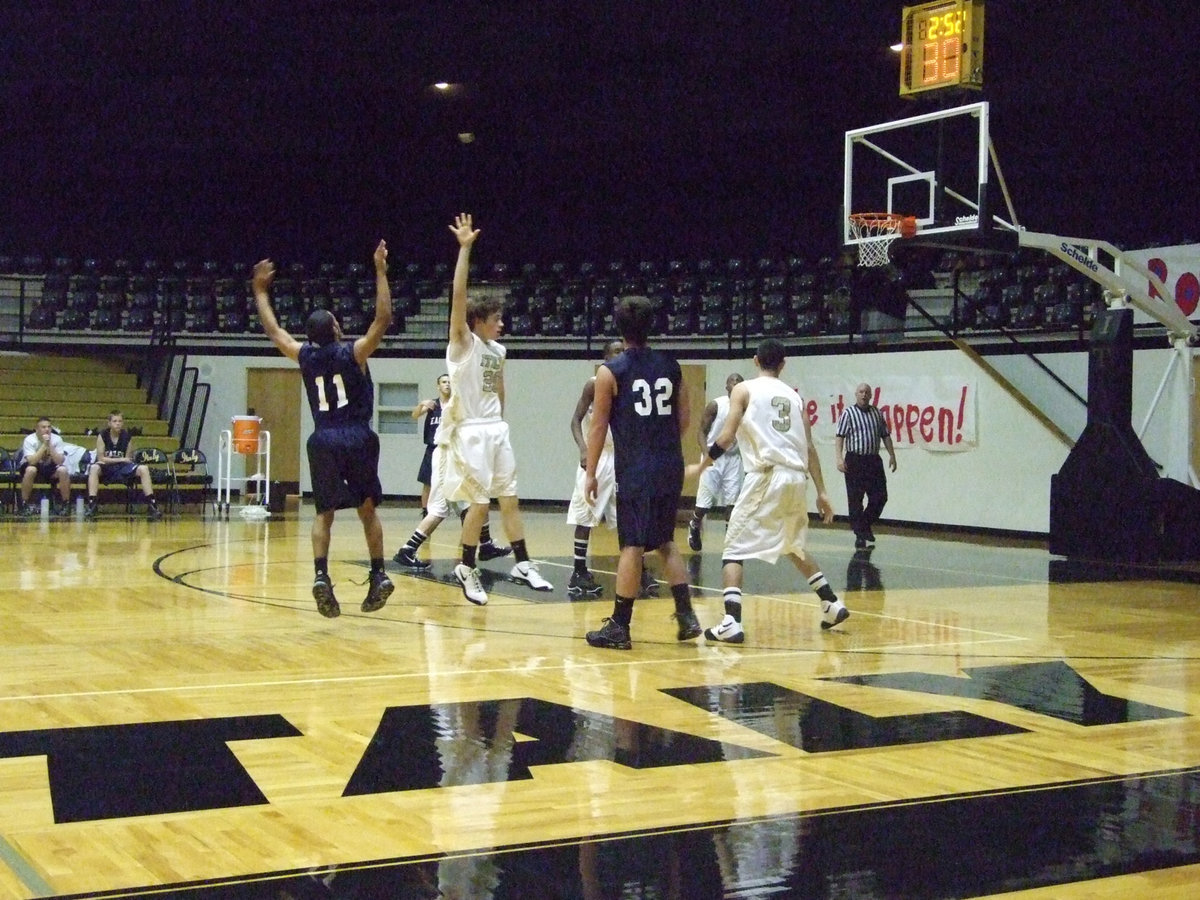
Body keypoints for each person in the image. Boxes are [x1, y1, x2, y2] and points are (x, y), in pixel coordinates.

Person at [251, 240, 394, 619]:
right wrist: (380, 269)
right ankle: (378, 574)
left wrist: (259, 291)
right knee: (367, 509)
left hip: (323, 439)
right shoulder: (355, 352)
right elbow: (382, 319)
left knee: (323, 514)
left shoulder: (304, 355)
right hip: (358, 436)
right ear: (335, 327)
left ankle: (320, 575)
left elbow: (274, 330)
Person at [693, 338, 849, 642]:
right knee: (792, 544)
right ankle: (831, 603)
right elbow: (810, 447)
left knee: (733, 545)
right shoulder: (795, 397)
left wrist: (703, 465)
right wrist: (822, 492)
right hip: (796, 478)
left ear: (755, 361)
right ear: (783, 364)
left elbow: (726, 437)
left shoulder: (744, 389)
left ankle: (731, 621)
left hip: (767, 474)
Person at [438, 213, 552, 606]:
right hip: (469, 431)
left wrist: (500, 421)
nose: (501, 323)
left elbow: (499, 389)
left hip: (495, 429)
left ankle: (523, 561)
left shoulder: (498, 351)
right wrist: (465, 249)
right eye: (495, 319)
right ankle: (466, 566)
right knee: (480, 504)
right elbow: (458, 297)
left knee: (509, 498)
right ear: (477, 322)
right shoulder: (461, 344)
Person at [583, 295, 702, 650]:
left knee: (632, 545)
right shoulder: (672, 365)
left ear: (619, 329)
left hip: (637, 468)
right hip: (670, 463)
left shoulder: (610, 372)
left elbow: (598, 428)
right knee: (665, 541)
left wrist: (590, 473)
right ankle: (686, 616)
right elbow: (684, 421)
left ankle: (620, 625)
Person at [565, 339, 625, 598]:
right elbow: (575, 421)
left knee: (626, 516)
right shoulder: (593, 383)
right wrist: (583, 449)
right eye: (616, 351)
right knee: (584, 515)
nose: (621, 355)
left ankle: (638, 569)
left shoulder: (629, 383)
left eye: (624, 351)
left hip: (621, 458)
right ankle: (578, 572)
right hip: (597, 457)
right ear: (605, 357)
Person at [686, 372, 745, 551]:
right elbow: (701, 432)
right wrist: (706, 454)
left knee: (733, 503)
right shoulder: (716, 405)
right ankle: (695, 524)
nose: (735, 385)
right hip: (713, 456)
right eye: (732, 382)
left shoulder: (748, 408)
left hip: (734, 458)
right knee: (705, 502)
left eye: (739, 383)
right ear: (727, 387)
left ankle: (731, 544)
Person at [835, 382, 897, 549]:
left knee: (880, 497)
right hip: (855, 460)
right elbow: (840, 436)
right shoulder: (848, 413)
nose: (864, 395)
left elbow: (885, 435)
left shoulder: (877, 413)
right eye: (861, 392)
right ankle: (860, 534)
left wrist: (892, 455)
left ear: (871, 396)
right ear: (856, 394)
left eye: (867, 392)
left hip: (873, 460)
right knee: (856, 499)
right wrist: (839, 458)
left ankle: (864, 525)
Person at [84, 410, 164, 519]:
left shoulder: (127, 436)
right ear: (109, 423)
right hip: (107, 467)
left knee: (144, 469)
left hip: (122, 467)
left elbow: (128, 459)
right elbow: (101, 458)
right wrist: (120, 459)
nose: (117, 423)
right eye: (115, 421)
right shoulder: (102, 435)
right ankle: (92, 505)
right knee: (94, 468)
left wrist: (120, 460)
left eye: (120, 421)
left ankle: (152, 504)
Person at [18, 416, 72, 516]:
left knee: (63, 470)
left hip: (49, 468)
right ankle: (24, 504)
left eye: (49, 427)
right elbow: (32, 461)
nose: (47, 429)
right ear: (37, 429)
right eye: (43, 427)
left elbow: (59, 461)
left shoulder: (57, 439)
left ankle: (66, 504)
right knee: (31, 470)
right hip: (33, 467)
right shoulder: (29, 439)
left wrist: (50, 445)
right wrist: (44, 446)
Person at [413, 374, 451, 516]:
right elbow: (415, 415)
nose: (447, 384)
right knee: (427, 482)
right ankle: (425, 512)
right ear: (438, 385)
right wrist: (421, 404)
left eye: (449, 382)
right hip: (433, 448)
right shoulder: (432, 405)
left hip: (451, 449)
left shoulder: (455, 404)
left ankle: (463, 512)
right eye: (444, 382)